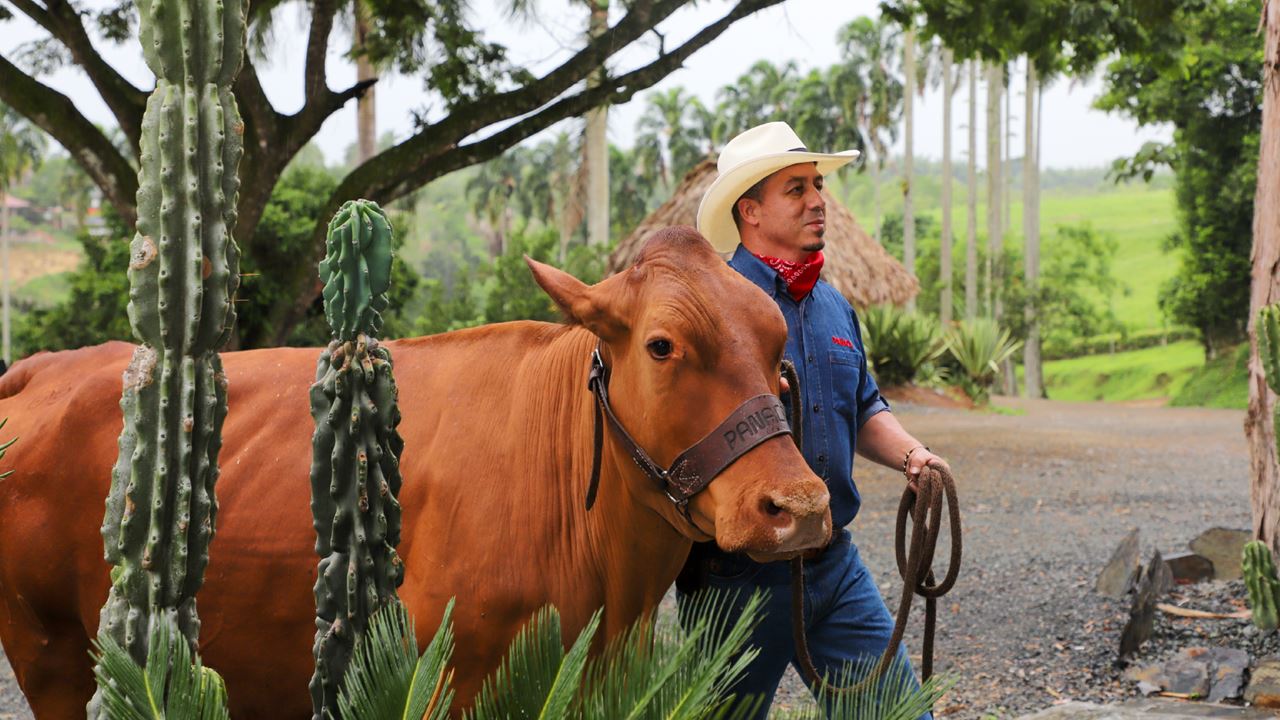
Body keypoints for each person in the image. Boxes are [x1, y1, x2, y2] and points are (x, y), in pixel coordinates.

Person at [680, 121, 949, 718]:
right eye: (796, 188)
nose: (817, 201)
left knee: (901, 714)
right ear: (749, 210)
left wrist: (913, 456)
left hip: (832, 564)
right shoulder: (711, 307)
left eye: (817, 185)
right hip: (735, 578)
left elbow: (864, 406)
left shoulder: (834, 305)